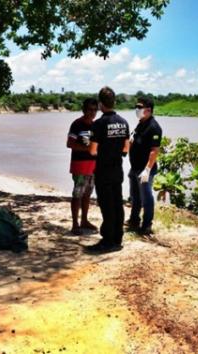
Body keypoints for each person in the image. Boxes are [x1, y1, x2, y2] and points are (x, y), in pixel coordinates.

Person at [86, 86, 130, 252]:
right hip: (117, 170)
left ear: (100, 104)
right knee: (118, 204)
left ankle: (107, 241)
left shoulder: (99, 124)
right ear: (114, 102)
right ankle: (118, 239)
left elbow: (92, 151)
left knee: (107, 206)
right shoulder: (124, 123)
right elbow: (126, 150)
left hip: (103, 170)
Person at [127, 97, 162, 236]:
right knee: (135, 196)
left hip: (145, 169)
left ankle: (147, 225)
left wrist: (147, 170)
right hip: (135, 167)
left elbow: (154, 150)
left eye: (139, 107)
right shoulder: (141, 123)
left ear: (148, 110)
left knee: (146, 198)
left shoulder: (154, 127)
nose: (137, 109)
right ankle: (134, 220)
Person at [66, 98, 99, 235]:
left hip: (93, 165)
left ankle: (84, 220)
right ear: (84, 110)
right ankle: (75, 224)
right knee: (77, 195)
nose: (92, 113)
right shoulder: (76, 124)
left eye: (94, 110)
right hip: (79, 166)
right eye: (89, 109)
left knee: (87, 194)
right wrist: (88, 149)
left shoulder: (96, 125)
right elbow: (69, 143)